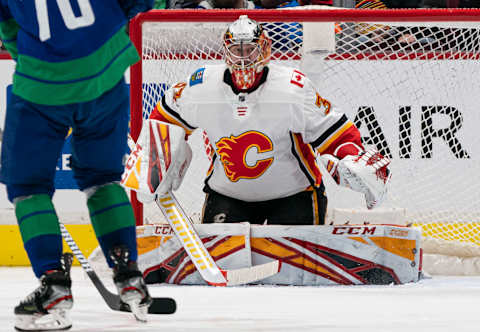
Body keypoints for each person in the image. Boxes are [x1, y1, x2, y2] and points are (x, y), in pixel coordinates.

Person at [144, 15, 391, 226]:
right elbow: (165, 117)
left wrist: (351, 158)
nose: (244, 58)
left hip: (294, 196)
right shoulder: (201, 86)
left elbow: (334, 132)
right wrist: (155, 158)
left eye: (249, 49)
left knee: (301, 275)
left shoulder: (292, 88)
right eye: (237, 50)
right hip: (227, 195)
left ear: (264, 49)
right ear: (226, 52)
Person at [0, 1, 153, 330]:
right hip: (107, 73)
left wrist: (34, 60)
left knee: (28, 188)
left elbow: (8, 26)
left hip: (43, 86)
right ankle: (129, 278)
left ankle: (54, 286)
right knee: (103, 179)